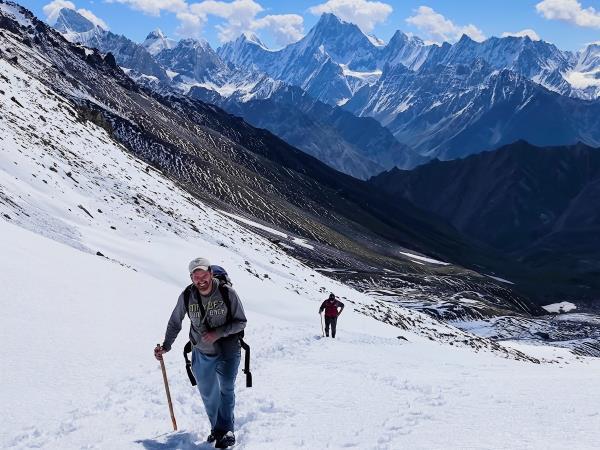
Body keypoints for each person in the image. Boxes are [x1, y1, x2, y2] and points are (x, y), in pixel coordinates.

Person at [154, 257, 247, 449]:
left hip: (228, 347)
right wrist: (166, 345)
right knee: (208, 393)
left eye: (203, 275)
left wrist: (218, 333)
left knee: (226, 387)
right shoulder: (187, 296)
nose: (200, 280)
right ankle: (216, 428)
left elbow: (241, 322)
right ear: (191, 278)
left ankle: (226, 431)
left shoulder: (227, 292)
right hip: (201, 350)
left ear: (211, 274)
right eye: (196, 276)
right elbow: (175, 322)